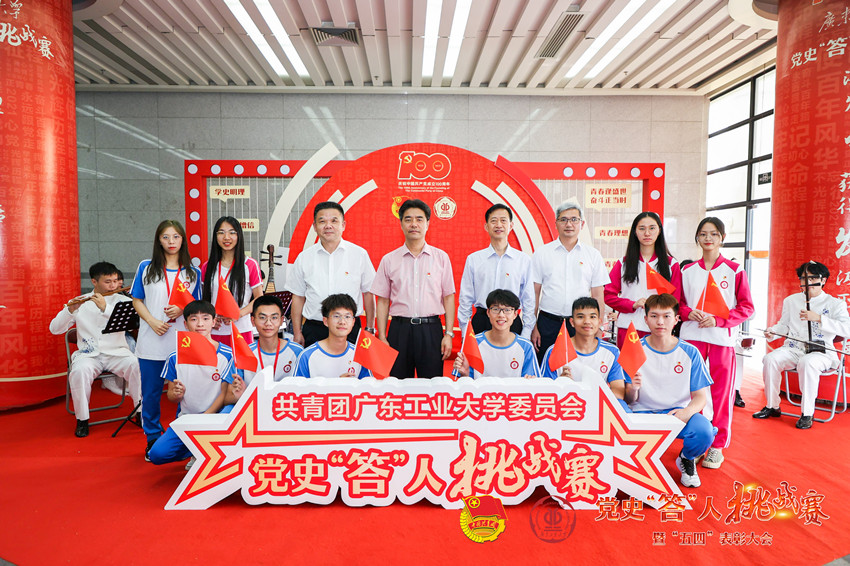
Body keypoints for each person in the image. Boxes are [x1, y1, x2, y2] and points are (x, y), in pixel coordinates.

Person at [679, 217, 754, 470]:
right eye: (703, 234)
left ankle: (718, 446)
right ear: (697, 238)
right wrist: (688, 312)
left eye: (713, 234)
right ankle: (696, 443)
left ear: (722, 238)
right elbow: (678, 303)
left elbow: (747, 308)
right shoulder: (687, 271)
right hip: (692, 339)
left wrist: (720, 320)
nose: (708, 238)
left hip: (721, 340)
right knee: (692, 393)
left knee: (721, 393)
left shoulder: (735, 270)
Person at [625, 293, 715, 488]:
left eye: (666, 316)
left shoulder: (690, 352)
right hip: (641, 412)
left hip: (676, 413)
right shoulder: (634, 349)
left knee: (704, 431)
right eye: (654, 316)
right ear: (646, 319)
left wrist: (686, 412)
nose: (660, 322)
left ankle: (687, 458)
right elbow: (628, 399)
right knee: (619, 416)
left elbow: (701, 397)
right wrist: (633, 388)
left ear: (676, 319)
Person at [132, 220, 202, 460]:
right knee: (151, 394)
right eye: (166, 237)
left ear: (183, 240)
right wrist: (152, 321)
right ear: (158, 240)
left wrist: (183, 309)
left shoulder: (192, 272)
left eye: (176, 237)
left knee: (183, 392)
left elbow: (197, 306)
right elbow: (137, 300)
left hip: (181, 343)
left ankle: (181, 439)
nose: (171, 242)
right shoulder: (146, 267)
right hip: (151, 341)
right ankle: (152, 437)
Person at [49, 261, 141, 438]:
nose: (113, 286)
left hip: (117, 352)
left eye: (115, 281)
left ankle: (140, 412)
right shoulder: (81, 301)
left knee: (137, 365)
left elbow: (132, 325)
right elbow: (55, 329)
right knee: (79, 371)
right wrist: (69, 311)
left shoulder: (124, 301)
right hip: (88, 355)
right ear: (94, 281)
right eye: (108, 282)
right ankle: (82, 419)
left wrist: (105, 308)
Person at [755, 261, 850, 429]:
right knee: (770, 359)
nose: (807, 283)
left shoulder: (835, 304)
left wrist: (819, 318)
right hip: (794, 348)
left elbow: (846, 329)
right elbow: (784, 325)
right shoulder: (791, 301)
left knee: (807, 362)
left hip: (821, 352)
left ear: (823, 280)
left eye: (812, 278)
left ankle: (807, 413)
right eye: (804, 278)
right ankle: (772, 406)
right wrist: (773, 331)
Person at [371, 199, 455, 379]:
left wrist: (448, 333)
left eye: (419, 219)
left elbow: (448, 297)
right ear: (401, 224)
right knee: (397, 384)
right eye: (408, 219)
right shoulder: (389, 260)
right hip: (399, 331)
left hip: (431, 330)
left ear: (428, 224)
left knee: (432, 385)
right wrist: (383, 337)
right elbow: (383, 301)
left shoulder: (441, 258)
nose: (414, 224)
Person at [147, 300, 235, 467]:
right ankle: (193, 449)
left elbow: (225, 395)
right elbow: (171, 396)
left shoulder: (228, 355)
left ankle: (203, 450)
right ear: (185, 324)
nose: (200, 324)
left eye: (206, 318)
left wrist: (205, 419)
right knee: (157, 455)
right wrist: (176, 394)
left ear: (214, 322)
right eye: (194, 319)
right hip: (188, 418)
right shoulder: (175, 357)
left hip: (216, 416)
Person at [286, 201, 376, 347]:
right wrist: (297, 332)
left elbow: (368, 293)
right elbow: (298, 297)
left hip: (350, 329)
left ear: (343, 225)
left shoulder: (359, 254)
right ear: (315, 226)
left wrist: (370, 328)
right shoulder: (304, 257)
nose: (328, 226)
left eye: (334, 221)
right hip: (315, 328)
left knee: (351, 363)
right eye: (322, 221)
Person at [531, 202, 609, 363]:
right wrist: (532, 326)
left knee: (579, 367)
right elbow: (534, 293)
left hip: (580, 323)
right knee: (546, 367)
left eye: (574, 219)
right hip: (548, 323)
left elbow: (598, 295)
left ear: (582, 224)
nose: (569, 224)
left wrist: (599, 327)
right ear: (556, 224)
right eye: (563, 220)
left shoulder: (593, 255)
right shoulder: (542, 253)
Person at [605, 211, 682, 348]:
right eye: (642, 228)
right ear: (635, 232)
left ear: (659, 231)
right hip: (629, 327)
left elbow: (675, 300)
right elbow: (608, 295)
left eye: (652, 228)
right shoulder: (623, 263)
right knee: (628, 363)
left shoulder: (671, 264)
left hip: (659, 329)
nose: (647, 233)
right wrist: (632, 304)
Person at [457, 204, 535, 338]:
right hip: (482, 320)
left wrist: (527, 332)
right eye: (494, 221)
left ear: (511, 225)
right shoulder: (474, 259)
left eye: (503, 220)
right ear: (486, 226)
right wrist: (465, 331)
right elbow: (465, 298)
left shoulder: (523, 260)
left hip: (511, 321)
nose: (499, 225)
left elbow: (529, 299)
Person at [540, 297, 629, 410]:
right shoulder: (555, 350)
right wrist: (560, 384)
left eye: (592, 317)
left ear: (599, 322)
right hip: (567, 406)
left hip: (598, 405)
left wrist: (590, 402)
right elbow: (545, 391)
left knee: (622, 407)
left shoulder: (612, 352)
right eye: (580, 317)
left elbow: (618, 392)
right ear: (572, 322)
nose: (587, 321)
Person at [201, 216, 263, 347]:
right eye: (221, 233)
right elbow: (204, 299)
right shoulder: (208, 266)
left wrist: (238, 314)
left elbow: (259, 298)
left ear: (238, 235)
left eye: (232, 232)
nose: (226, 237)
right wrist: (209, 318)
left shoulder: (250, 264)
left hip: (241, 331)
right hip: (214, 331)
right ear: (215, 236)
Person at [453, 289, 539, 378]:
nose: (501, 315)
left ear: (515, 314)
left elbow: (531, 381)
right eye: (496, 309)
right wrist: (465, 374)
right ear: (488, 312)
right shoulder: (473, 343)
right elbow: (464, 381)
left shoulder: (526, 346)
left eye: (507, 310)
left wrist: (532, 381)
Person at [295, 294, 372, 379]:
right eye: (336, 316)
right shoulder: (307, 356)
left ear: (353, 321)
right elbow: (297, 387)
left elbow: (368, 385)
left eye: (347, 316)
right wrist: (338, 384)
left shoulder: (360, 355)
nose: (342, 322)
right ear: (325, 321)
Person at [240, 294, 303, 385]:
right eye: (262, 317)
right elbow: (234, 389)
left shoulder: (297, 351)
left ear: (281, 320)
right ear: (253, 321)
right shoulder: (245, 353)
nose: (268, 323)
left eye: (274, 318)